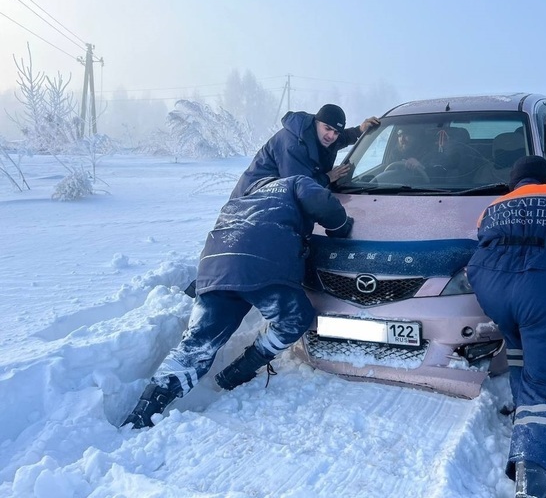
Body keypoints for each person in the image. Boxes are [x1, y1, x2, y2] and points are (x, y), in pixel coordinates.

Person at [122, 175, 354, 429]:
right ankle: (240, 370)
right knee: (295, 317)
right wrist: (341, 227)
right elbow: (320, 199)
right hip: (263, 267)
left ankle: (144, 412)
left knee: (197, 345)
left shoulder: (242, 200)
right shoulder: (294, 183)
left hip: (215, 269)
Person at [466, 156, 546, 498]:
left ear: (515, 182)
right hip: (540, 284)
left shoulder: (493, 206)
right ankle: (532, 476)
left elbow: (483, 243)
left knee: (520, 344)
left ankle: (524, 404)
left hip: (490, 284)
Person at [229, 104, 379, 199]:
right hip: (249, 200)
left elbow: (341, 138)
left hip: (272, 199)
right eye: (327, 128)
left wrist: (360, 130)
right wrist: (327, 178)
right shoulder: (293, 144)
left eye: (336, 132)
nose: (331, 136)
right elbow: (299, 188)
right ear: (316, 122)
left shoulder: (318, 136)